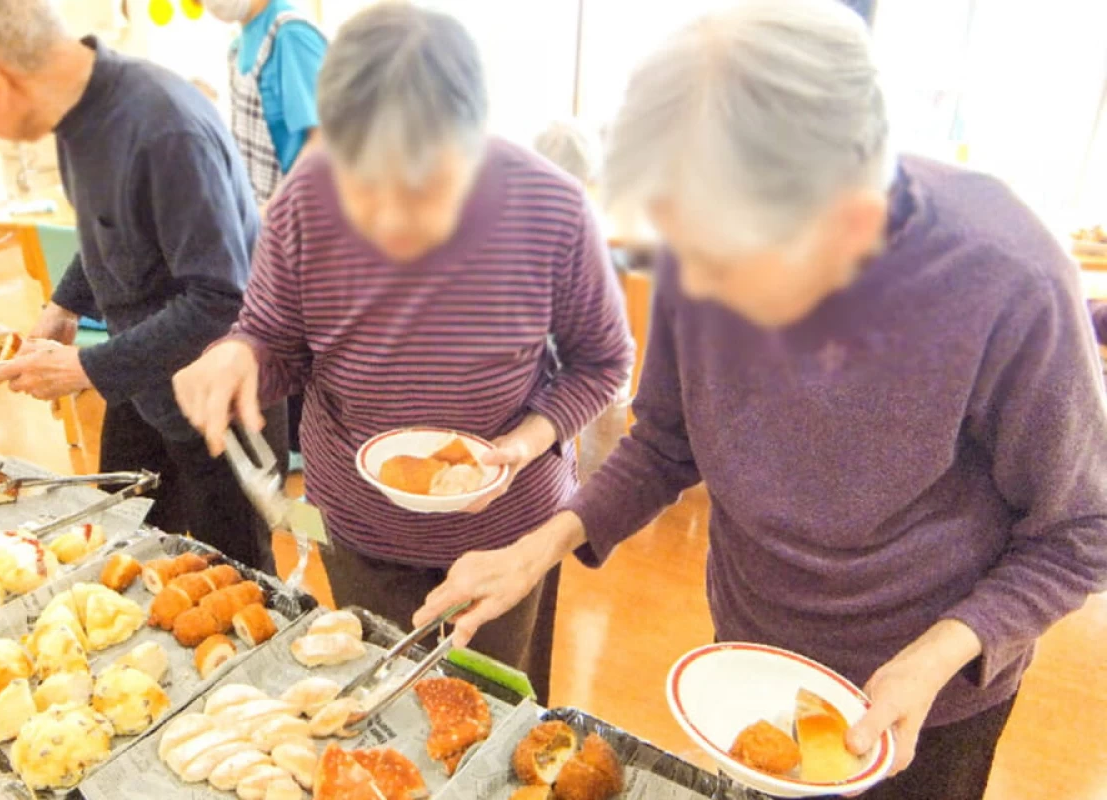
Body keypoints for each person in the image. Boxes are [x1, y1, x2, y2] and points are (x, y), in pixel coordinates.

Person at [413, 2, 1107, 799]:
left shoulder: (1005, 275)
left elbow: (1080, 528)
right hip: (748, 665)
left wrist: (942, 652)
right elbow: (668, 440)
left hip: (929, 698)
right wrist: (536, 546)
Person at [172, 2, 632, 705]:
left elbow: (603, 362)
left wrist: (527, 437)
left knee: (492, 714)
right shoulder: (305, 201)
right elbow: (277, 342)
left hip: (506, 537)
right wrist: (240, 354)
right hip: (360, 529)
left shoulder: (553, 208)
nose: (390, 219)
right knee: (383, 695)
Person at [0, 0, 288, 570]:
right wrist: (65, 305)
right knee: (124, 534)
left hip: (218, 398)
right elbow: (105, 232)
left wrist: (85, 369)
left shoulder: (165, 129)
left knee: (233, 571)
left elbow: (219, 300)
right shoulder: (77, 118)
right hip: (142, 378)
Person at [199, 0, 327, 474]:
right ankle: (297, 453)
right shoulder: (242, 42)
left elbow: (323, 140)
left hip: (304, 227)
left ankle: (307, 456)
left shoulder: (290, 35)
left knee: (308, 347)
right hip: (265, 223)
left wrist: (277, 215)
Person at [200, 0, 327, 210]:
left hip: (305, 212)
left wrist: (270, 211)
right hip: (269, 216)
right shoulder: (238, 47)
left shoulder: (291, 35)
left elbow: (324, 142)